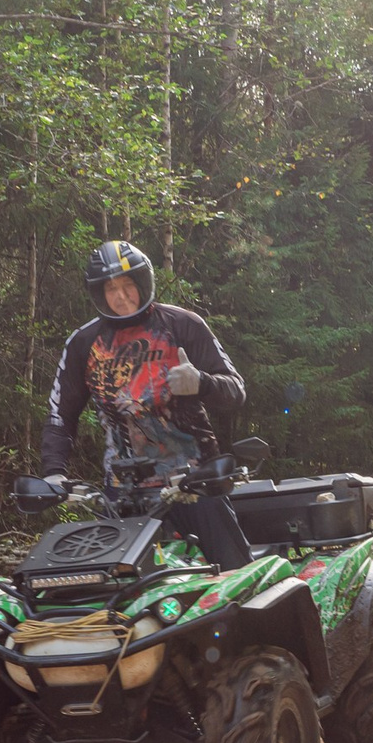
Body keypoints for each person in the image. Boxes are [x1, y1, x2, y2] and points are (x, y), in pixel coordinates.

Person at [38, 240, 252, 563]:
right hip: (121, 493)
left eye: (127, 285)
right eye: (110, 288)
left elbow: (236, 390)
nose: (121, 296)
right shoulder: (84, 343)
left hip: (194, 483)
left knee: (235, 576)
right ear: (98, 293)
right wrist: (54, 473)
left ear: (142, 282)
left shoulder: (182, 325)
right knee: (116, 590)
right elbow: (60, 415)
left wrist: (202, 383)